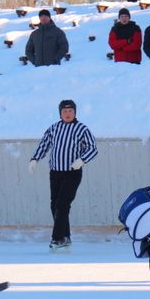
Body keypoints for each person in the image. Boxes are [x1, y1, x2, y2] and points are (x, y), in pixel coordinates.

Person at [28, 100, 98, 251]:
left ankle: (57, 238)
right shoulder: (54, 128)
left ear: (75, 113)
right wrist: (35, 159)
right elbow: (44, 144)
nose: (68, 114)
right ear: (60, 113)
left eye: (70, 111)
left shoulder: (82, 129)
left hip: (72, 172)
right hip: (55, 172)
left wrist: (82, 160)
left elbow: (93, 148)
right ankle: (65, 237)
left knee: (62, 204)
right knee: (55, 205)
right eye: (65, 111)